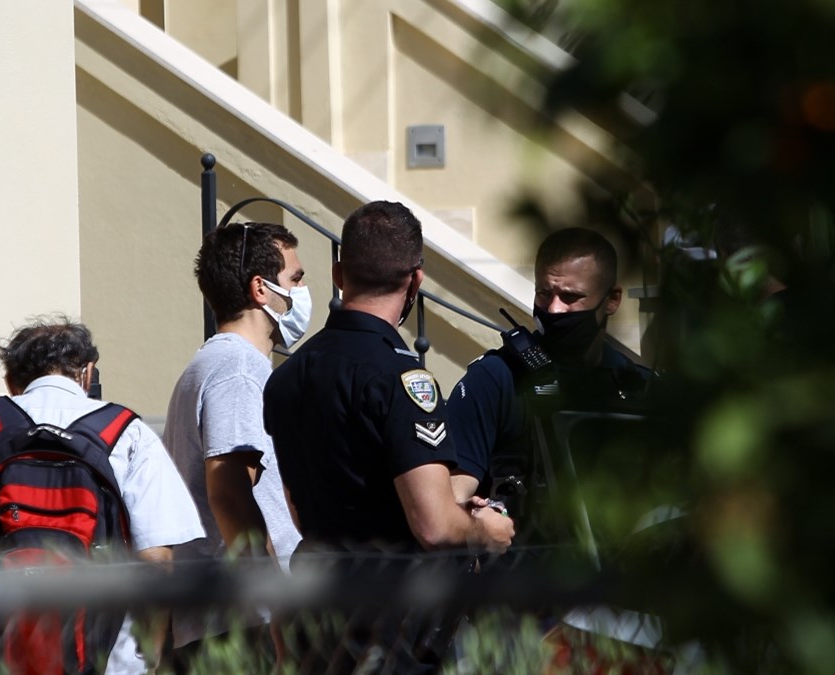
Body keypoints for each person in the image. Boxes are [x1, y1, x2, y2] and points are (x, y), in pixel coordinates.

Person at [262, 200, 514, 673]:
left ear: (339, 275)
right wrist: (484, 529)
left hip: (316, 613)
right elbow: (434, 526)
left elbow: (299, 509)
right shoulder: (402, 379)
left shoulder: (288, 376)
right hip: (387, 625)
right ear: (415, 280)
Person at [0, 316, 205, 675]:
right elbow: (156, 559)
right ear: (87, 373)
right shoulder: (130, 434)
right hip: (108, 659)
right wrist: (150, 653)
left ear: (10, 380)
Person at [162, 222, 305, 669]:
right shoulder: (238, 369)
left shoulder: (213, 363)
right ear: (261, 289)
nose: (302, 292)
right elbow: (229, 492)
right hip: (242, 622)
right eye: (295, 279)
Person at [446, 227, 652, 506]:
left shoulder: (636, 386)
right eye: (544, 293)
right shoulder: (494, 379)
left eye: (570, 297)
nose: (554, 309)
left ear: (612, 300)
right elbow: (451, 501)